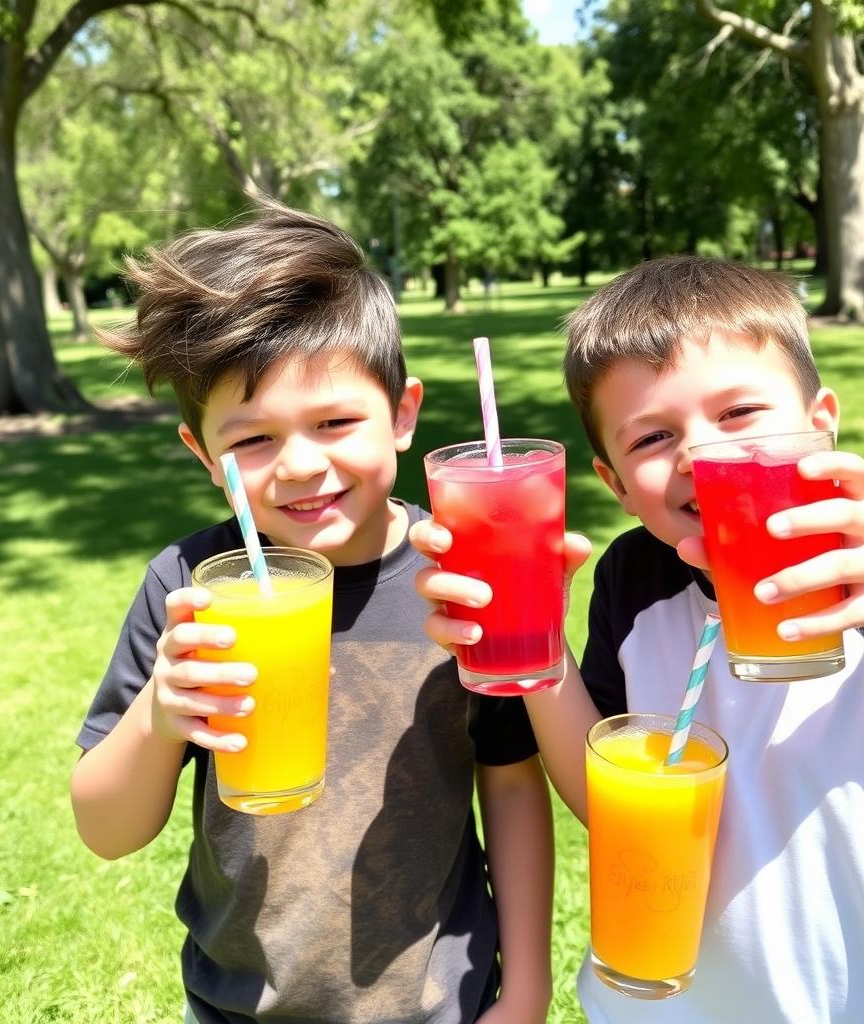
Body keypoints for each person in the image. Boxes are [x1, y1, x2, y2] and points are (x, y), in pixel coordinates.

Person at [411, 255, 864, 1023]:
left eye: (738, 414)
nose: (700, 454)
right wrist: (538, 645)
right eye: (654, 437)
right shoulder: (634, 584)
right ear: (616, 483)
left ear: (821, 420)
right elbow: (605, 797)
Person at [70, 200, 554, 1024]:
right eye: (251, 441)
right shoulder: (189, 585)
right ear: (204, 457)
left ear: (402, 415)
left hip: (441, 1004)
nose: (299, 465)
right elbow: (106, 828)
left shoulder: (459, 576)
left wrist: (529, 987)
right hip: (240, 1005)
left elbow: (509, 785)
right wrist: (161, 713)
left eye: (334, 422)